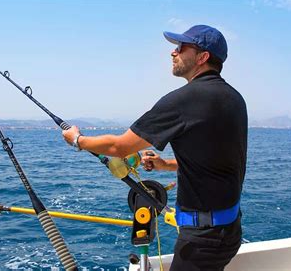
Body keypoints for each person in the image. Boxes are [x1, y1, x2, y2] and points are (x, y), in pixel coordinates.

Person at [63, 24, 247, 271]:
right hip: (230, 230)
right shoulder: (234, 99)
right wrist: (165, 165)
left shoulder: (185, 100)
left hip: (202, 241)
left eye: (181, 48)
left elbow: (120, 147)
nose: (174, 52)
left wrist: (77, 140)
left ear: (202, 57)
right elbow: (215, 158)